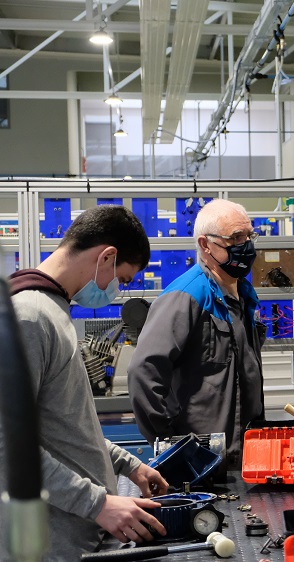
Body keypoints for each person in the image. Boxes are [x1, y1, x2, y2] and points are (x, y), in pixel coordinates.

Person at [0, 205, 168, 559]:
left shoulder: (52, 310)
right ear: (106, 256)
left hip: (75, 537)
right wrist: (97, 504)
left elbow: (65, 425)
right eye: (121, 280)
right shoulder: (30, 316)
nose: (116, 291)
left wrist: (126, 463)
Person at [129, 199, 265, 461]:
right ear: (205, 245)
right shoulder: (186, 296)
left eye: (249, 235)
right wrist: (169, 444)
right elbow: (143, 371)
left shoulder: (244, 293)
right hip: (201, 459)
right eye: (236, 238)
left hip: (245, 453)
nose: (246, 246)